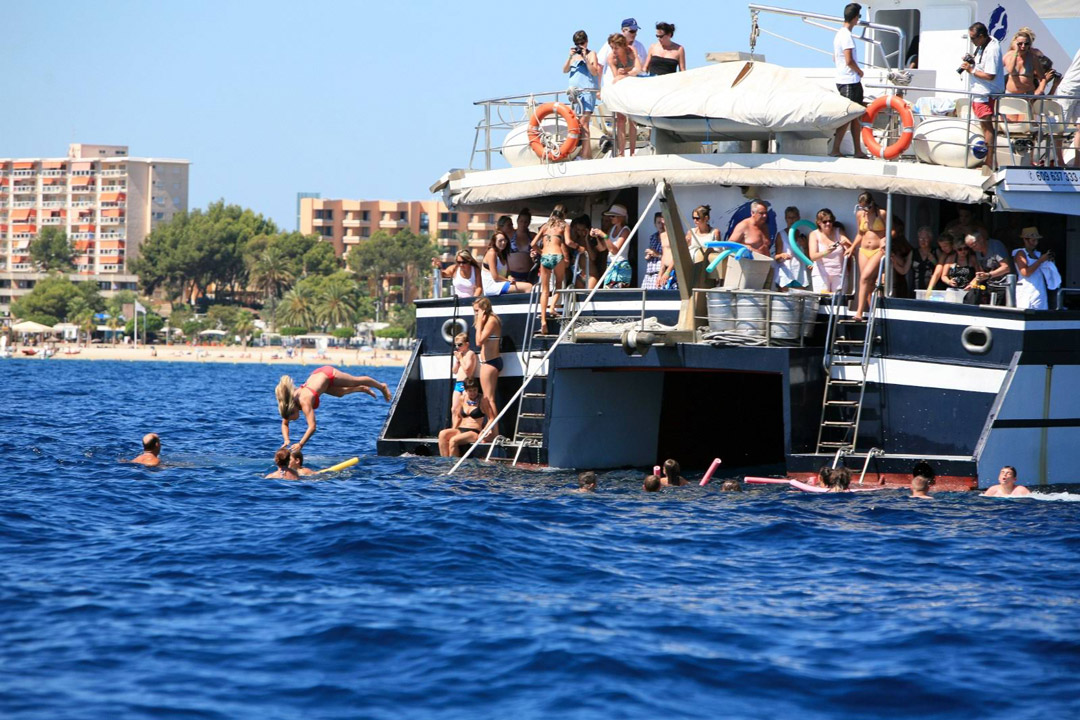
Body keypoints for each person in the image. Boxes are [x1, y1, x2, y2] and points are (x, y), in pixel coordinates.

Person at [276, 367, 390, 451]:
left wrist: (300, 444)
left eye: (291, 419)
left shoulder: (304, 402)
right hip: (320, 380)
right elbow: (284, 424)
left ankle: (381, 386)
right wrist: (286, 440)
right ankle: (361, 389)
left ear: (294, 410)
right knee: (340, 393)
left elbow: (312, 427)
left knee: (356, 380)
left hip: (328, 374)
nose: (291, 420)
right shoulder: (288, 405)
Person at [961, 22, 1004, 171]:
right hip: (981, 92)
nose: (971, 41)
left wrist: (971, 70)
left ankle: (989, 162)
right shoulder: (983, 45)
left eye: (973, 38)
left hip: (986, 93)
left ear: (981, 36)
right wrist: (973, 62)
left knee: (987, 128)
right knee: (985, 126)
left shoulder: (992, 50)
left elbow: (990, 75)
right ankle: (992, 161)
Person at [831, 3, 866, 157]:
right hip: (850, 81)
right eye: (859, 16)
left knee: (855, 117)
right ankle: (835, 149)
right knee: (848, 117)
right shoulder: (846, 36)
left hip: (844, 80)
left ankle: (857, 150)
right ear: (855, 18)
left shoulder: (839, 34)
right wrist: (860, 71)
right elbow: (849, 60)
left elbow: (835, 58)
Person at [532, 205, 572, 333]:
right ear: (564, 215)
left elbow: (532, 244)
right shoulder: (564, 225)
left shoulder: (545, 226)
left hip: (545, 257)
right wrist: (579, 247)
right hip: (557, 255)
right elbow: (569, 242)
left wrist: (541, 251)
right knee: (559, 284)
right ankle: (552, 307)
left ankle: (543, 321)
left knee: (544, 291)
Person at [438, 377, 498, 457]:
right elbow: (458, 417)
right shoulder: (462, 398)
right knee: (442, 434)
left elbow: (491, 418)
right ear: (466, 390)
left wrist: (483, 432)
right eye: (470, 391)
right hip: (461, 429)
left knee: (453, 440)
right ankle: (445, 461)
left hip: (474, 431)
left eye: (475, 390)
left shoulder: (482, 400)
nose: (473, 393)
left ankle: (452, 464)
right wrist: (454, 428)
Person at [563, 30, 601, 160]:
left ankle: (584, 155)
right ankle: (587, 153)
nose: (580, 46)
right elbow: (565, 70)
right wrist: (570, 57)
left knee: (583, 123)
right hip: (575, 93)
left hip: (588, 91)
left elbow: (595, 72)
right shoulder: (574, 57)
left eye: (582, 43)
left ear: (586, 42)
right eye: (577, 44)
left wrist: (585, 58)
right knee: (578, 123)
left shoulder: (591, 54)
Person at [849, 191, 887, 320]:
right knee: (867, 282)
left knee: (865, 278)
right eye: (862, 207)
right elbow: (860, 234)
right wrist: (852, 248)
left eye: (867, 207)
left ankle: (859, 311)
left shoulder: (881, 213)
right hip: (863, 250)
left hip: (877, 250)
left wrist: (885, 239)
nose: (865, 210)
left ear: (872, 203)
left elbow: (891, 230)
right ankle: (871, 311)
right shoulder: (860, 215)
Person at [605, 33, 642, 157]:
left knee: (633, 120)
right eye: (612, 47)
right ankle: (621, 152)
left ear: (623, 46)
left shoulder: (631, 51)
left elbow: (638, 68)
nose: (613, 51)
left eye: (616, 47)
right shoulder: (611, 58)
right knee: (621, 120)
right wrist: (627, 73)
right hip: (620, 89)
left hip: (632, 86)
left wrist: (626, 72)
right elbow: (616, 77)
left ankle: (632, 152)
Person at [1013, 226, 1059, 310]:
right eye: (1033, 240)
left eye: (1037, 240)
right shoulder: (1020, 253)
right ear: (1025, 240)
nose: (1035, 243)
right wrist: (1040, 261)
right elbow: (1025, 273)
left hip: (1039, 288)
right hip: (1025, 290)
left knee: (1041, 314)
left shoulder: (1037, 254)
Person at [808, 208, 851, 293]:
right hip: (821, 274)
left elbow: (851, 250)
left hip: (839, 274)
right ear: (819, 222)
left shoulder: (838, 232)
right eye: (825, 221)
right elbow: (813, 256)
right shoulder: (814, 234)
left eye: (830, 221)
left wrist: (847, 245)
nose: (828, 223)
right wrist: (827, 251)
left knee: (839, 302)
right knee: (823, 302)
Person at [473, 297, 503, 412]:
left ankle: (494, 429)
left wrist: (479, 321)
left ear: (484, 310)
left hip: (490, 362)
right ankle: (492, 428)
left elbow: (478, 342)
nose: (476, 314)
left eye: (477, 311)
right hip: (489, 361)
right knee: (487, 399)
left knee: (489, 399)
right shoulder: (488, 321)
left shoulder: (491, 321)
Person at [965, 230, 1011, 305]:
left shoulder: (996, 246)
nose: (974, 249)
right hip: (990, 287)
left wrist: (989, 275)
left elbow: (1006, 267)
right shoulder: (978, 252)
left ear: (981, 239)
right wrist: (973, 282)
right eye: (971, 247)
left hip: (1003, 286)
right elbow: (982, 272)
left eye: (974, 245)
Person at [774, 206, 811, 291]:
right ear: (785, 219)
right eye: (789, 218)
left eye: (794, 217)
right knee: (784, 301)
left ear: (798, 218)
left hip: (800, 273)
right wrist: (782, 255)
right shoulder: (781, 235)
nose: (791, 220)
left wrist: (805, 246)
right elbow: (776, 258)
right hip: (785, 273)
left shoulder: (802, 234)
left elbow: (808, 258)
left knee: (799, 300)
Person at [482, 231, 530, 296]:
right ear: (494, 242)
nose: (503, 243)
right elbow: (495, 277)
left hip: (500, 284)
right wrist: (507, 280)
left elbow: (508, 272)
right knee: (528, 287)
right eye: (500, 241)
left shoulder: (502, 254)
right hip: (492, 286)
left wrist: (510, 277)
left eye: (505, 240)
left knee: (527, 286)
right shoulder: (491, 253)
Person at [1003, 30, 1043, 104]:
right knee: (1009, 115)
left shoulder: (1033, 58)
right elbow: (1010, 69)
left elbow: (1042, 77)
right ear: (1015, 43)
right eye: (1020, 44)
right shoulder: (1009, 55)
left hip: (1027, 95)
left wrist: (1040, 90)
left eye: (1026, 44)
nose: (1023, 46)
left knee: (1026, 115)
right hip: (1010, 95)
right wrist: (1016, 52)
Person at [598, 203, 633, 287]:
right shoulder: (611, 229)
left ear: (621, 217)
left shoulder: (625, 231)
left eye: (613, 216)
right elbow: (602, 248)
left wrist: (604, 236)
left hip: (621, 266)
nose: (610, 218)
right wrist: (596, 237)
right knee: (608, 295)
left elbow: (615, 251)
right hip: (610, 265)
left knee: (618, 295)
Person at [686, 204, 722, 285]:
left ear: (706, 218)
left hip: (708, 271)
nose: (695, 220)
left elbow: (718, 253)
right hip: (692, 269)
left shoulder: (715, 232)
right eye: (693, 218)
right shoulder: (690, 232)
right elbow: (684, 251)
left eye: (697, 218)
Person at [567, 214, 604, 289]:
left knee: (589, 296)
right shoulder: (575, 242)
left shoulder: (593, 240)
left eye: (583, 230)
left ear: (588, 229)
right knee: (579, 298)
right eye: (578, 230)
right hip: (579, 275)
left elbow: (593, 257)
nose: (581, 232)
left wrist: (587, 240)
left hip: (591, 274)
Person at [507, 209, 535, 284]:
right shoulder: (509, 235)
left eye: (526, 222)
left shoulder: (533, 236)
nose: (523, 224)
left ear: (529, 223)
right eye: (521, 221)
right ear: (517, 221)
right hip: (512, 275)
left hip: (529, 275)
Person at [889, 216, 913, 298]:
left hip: (899, 279)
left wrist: (892, 255)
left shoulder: (902, 243)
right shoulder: (886, 241)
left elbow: (903, 262)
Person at [451, 332, 477, 406]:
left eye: (460, 344)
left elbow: (467, 370)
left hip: (467, 383)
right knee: (454, 409)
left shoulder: (470, 353)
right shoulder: (460, 356)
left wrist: (460, 358)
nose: (457, 347)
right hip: (458, 383)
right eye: (456, 345)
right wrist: (457, 360)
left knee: (467, 407)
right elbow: (454, 371)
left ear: (467, 344)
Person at [911, 227, 938, 294]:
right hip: (916, 288)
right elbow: (904, 270)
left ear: (930, 239)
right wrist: (893, 258)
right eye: (920, 238)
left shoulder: (936, 251)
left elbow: (941, 268)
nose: (923, 241)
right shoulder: (913, 252)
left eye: (925, 238)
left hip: (932, 289)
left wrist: (934, 261)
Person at [643, 212, 665, 289]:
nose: (661, 225)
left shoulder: (669, 238)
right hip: (649, 274)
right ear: (655, 224)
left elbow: (671, 258)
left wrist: (657, 254)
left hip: (661, 274)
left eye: (662, 222)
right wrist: (649, 255)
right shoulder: (653, 237)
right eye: (658, 223)